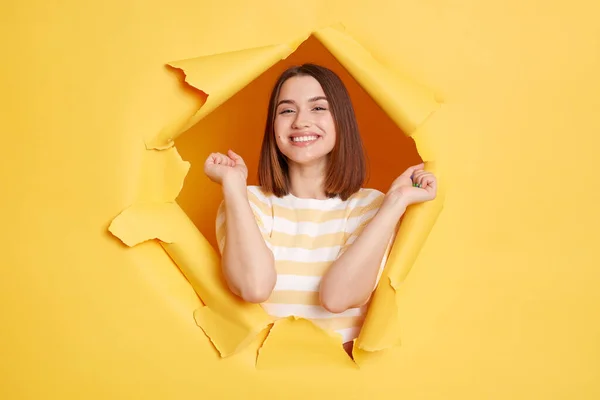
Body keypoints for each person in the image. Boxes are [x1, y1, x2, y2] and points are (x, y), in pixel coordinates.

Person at [204, 63, 437, 356]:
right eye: (286, 110)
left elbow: (338, 297)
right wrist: (233, 186)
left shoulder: (372, 207)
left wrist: (394, 204)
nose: (301, 121)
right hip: (257, 378)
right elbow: (254, 287)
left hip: (340, 380)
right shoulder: (245, 200)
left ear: (341, 120)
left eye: (318, 109)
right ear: (272, 126)